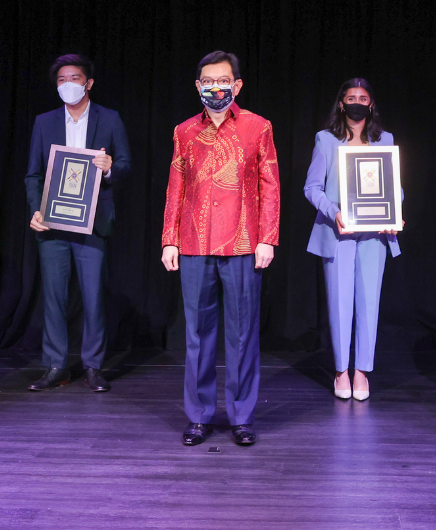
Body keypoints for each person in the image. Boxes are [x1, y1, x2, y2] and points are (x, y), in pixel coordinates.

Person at [162, 50, 279, 447]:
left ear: (237, 84)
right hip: (194, 242)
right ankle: (198, 416)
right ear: (198, 86)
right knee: (196, 333)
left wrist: (268, 238)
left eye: (223, 80)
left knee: (243, 333)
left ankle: (242, 416)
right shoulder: (183, 131)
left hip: (244, 242)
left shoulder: (257, 127)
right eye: (208, 81)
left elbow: (270, 186)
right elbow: (176, 188)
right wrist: (169, 239)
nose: (216, 87)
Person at [24, 54, 131, 392]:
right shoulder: (44, 122)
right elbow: (33, 174)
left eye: (75, 78)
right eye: (61, 79)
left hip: (93, 221)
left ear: (89, 83)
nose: (68, 84)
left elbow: (126, 164)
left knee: (93, 296)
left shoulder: (110, 119)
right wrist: (36, 210)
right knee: (54, 297)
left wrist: (109, 166)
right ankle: (56, 365)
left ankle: (93, 366)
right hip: (52, 222)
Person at [302, 78, 402, 402]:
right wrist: (334, 212)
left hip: (375, 233)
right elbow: (312, 188)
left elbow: (394, 187)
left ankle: (362, 372)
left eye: (363, 97)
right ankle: (341, 370)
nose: (357, 101)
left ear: (371, 104)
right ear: (341, 104)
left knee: (369, 303)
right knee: (340, 304)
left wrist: (394, 211)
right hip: (338, 232)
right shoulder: (326, 140)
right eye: (351, 97)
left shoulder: (384, 139)